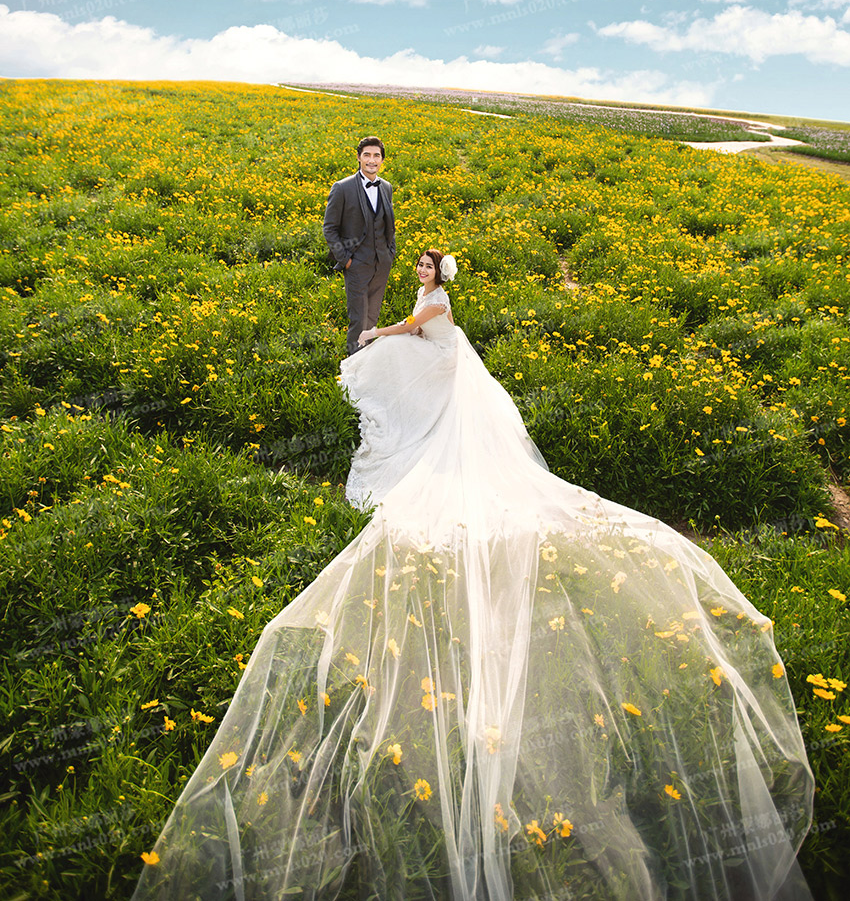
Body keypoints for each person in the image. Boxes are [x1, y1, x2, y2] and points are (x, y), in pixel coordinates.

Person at [131, 251, 814, 901]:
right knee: (394, 366)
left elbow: (411, 326)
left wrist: (375, 331)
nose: (424, 272)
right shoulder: (431, 295)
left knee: (398, 373)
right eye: (422, 265)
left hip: (444, 368)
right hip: (442, 362)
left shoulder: (438, 302)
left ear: (439, 272)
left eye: (429, 266)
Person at [322, 136, 396, 357]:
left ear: (382, 160)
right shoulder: (342, 188)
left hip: (381, 264)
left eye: (376, 156)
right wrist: (346, 260)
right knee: (358, 319)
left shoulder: (387, 187)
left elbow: (387, 224)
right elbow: (329, 227)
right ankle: (351, 370)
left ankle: (367, 365)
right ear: (359, 158)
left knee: (372, 318)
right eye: (367, 155)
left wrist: (389, 253)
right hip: (356, 265)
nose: (371, 160)